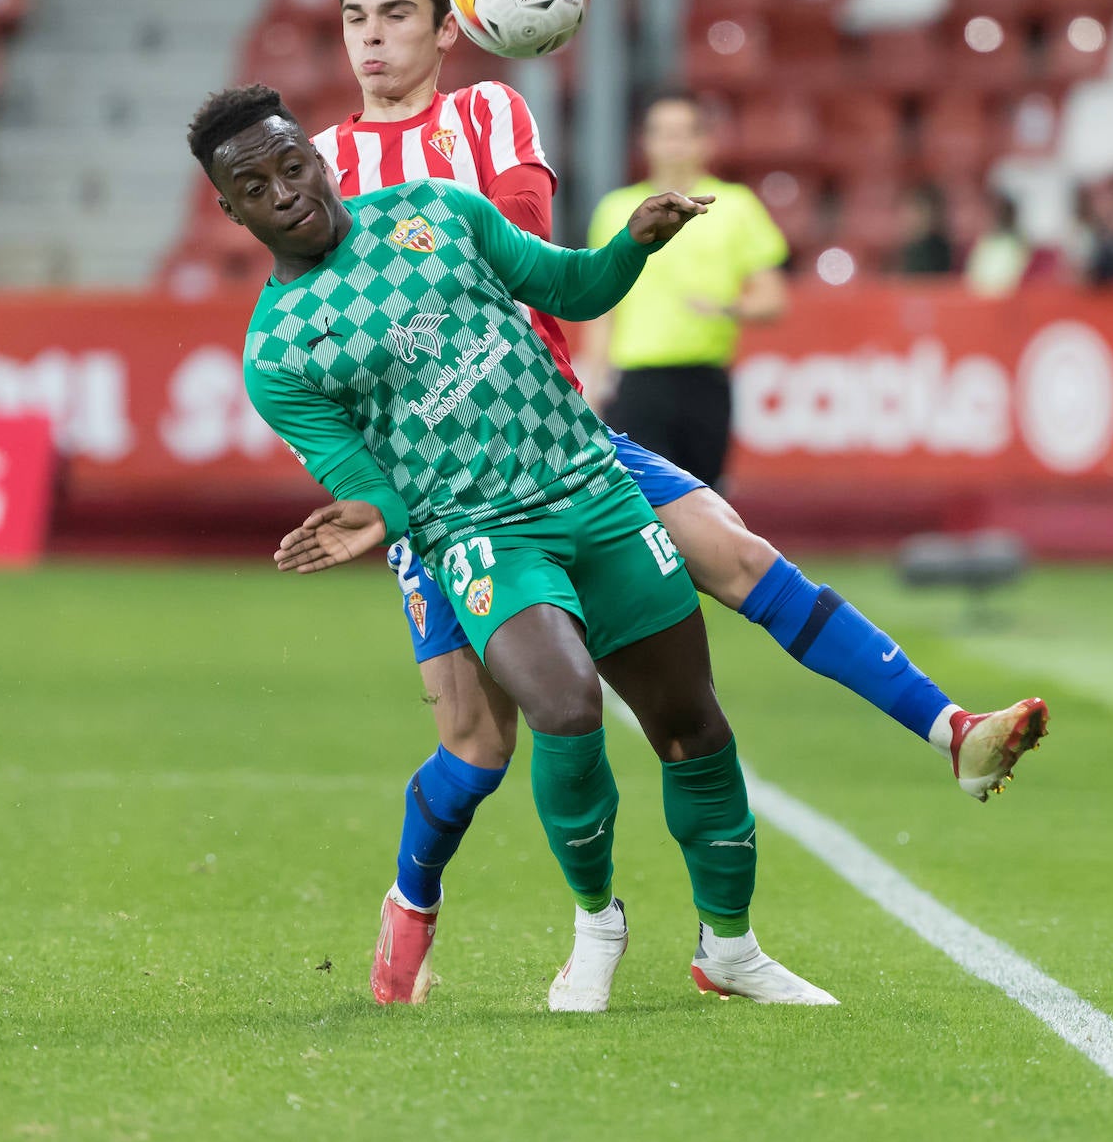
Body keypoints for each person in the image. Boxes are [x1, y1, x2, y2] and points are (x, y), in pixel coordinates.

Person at [283, 0, 1048, 1006]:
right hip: (444, 487)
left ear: (451, 27)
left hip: (559, 436)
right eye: (356, 20)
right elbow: (315, 332)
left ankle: (950, 730)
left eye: (397, 15)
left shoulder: (491, 117)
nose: (371, 39)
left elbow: (529, 259)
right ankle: (412, 901)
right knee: (476, 748)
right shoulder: (321, 168)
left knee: (738, 555)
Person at [186, 82, 840, 1015]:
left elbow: (570, 289)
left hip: (593, 488)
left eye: (293, 166)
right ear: (232, 211)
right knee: (564, 704)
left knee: (693, 725)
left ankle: (732, 947)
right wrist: (373, 515)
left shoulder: (437, 209)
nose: (285, 193)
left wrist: (632, 244)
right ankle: (597, 925)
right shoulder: (277, 352)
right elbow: (367, 482)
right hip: (479, 532)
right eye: (256, 188)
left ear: (319, 158)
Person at [581, 88, 788, 488]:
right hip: (638, 382)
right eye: (662, 133)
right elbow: (603, 307)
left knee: (705, 500)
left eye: (683, 133)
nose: (672, 144)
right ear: (645, 141)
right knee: (645, 502)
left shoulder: (736, 206)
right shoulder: (616, 209)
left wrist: (727, 308)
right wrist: (593, 384)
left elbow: (773, 298)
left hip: (705, 381)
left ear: (704, 140)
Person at [896, 181, 955, 275]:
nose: (913, 219)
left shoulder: (939, 250)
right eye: (910, 212)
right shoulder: (900, 250)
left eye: (919, 212)